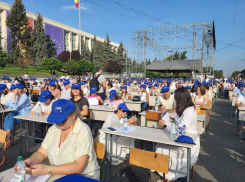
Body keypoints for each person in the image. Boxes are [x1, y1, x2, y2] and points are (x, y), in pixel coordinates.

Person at [24, 99, 100, 179]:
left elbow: (78, 166)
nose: (58, 124)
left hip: (83, 177)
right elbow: (42, 153)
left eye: (62, 121)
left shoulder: (82, 130)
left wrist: (47, 169)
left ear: (73, 116)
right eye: (56, 120)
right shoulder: (53, 129)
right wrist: (31, 161)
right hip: (58, 174)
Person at [156, 87, 200, 181]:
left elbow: (180, 130)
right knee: (159, 145)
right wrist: (165, 113)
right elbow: (179, 124)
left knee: (160, 148)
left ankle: (169, 176)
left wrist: (164, 125)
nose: (175, 101)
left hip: (187, 141)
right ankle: (168, 175)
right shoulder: (184, 108)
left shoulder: (189, 111)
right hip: (182, 138)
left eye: (176, 99)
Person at [3, 84, 31, 148]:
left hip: (23, 115)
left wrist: (13, 96)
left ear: (18, 90)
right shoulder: (15, 96)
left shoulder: (24, 97)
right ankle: (9, 135)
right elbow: (7, 103)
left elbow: (15, 106)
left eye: (14, 89)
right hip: (16, 113)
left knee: (9, 118)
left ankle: (8, 137)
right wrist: (4, 105)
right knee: (9, 115)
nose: (13, 90)